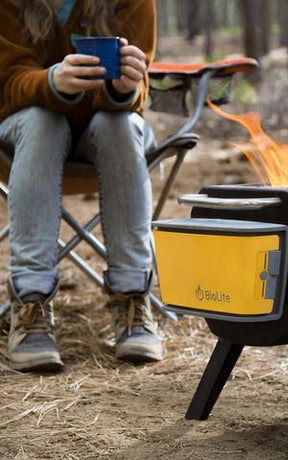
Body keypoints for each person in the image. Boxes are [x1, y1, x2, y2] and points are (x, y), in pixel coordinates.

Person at [0, 0, 164, 372]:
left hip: (107, 133)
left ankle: (133, 297)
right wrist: (51, 81)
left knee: (119, 126)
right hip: (21, 138)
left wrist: (125, 86)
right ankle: (31, 301)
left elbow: (138, 94)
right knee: (43, 122)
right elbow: (7, 81)